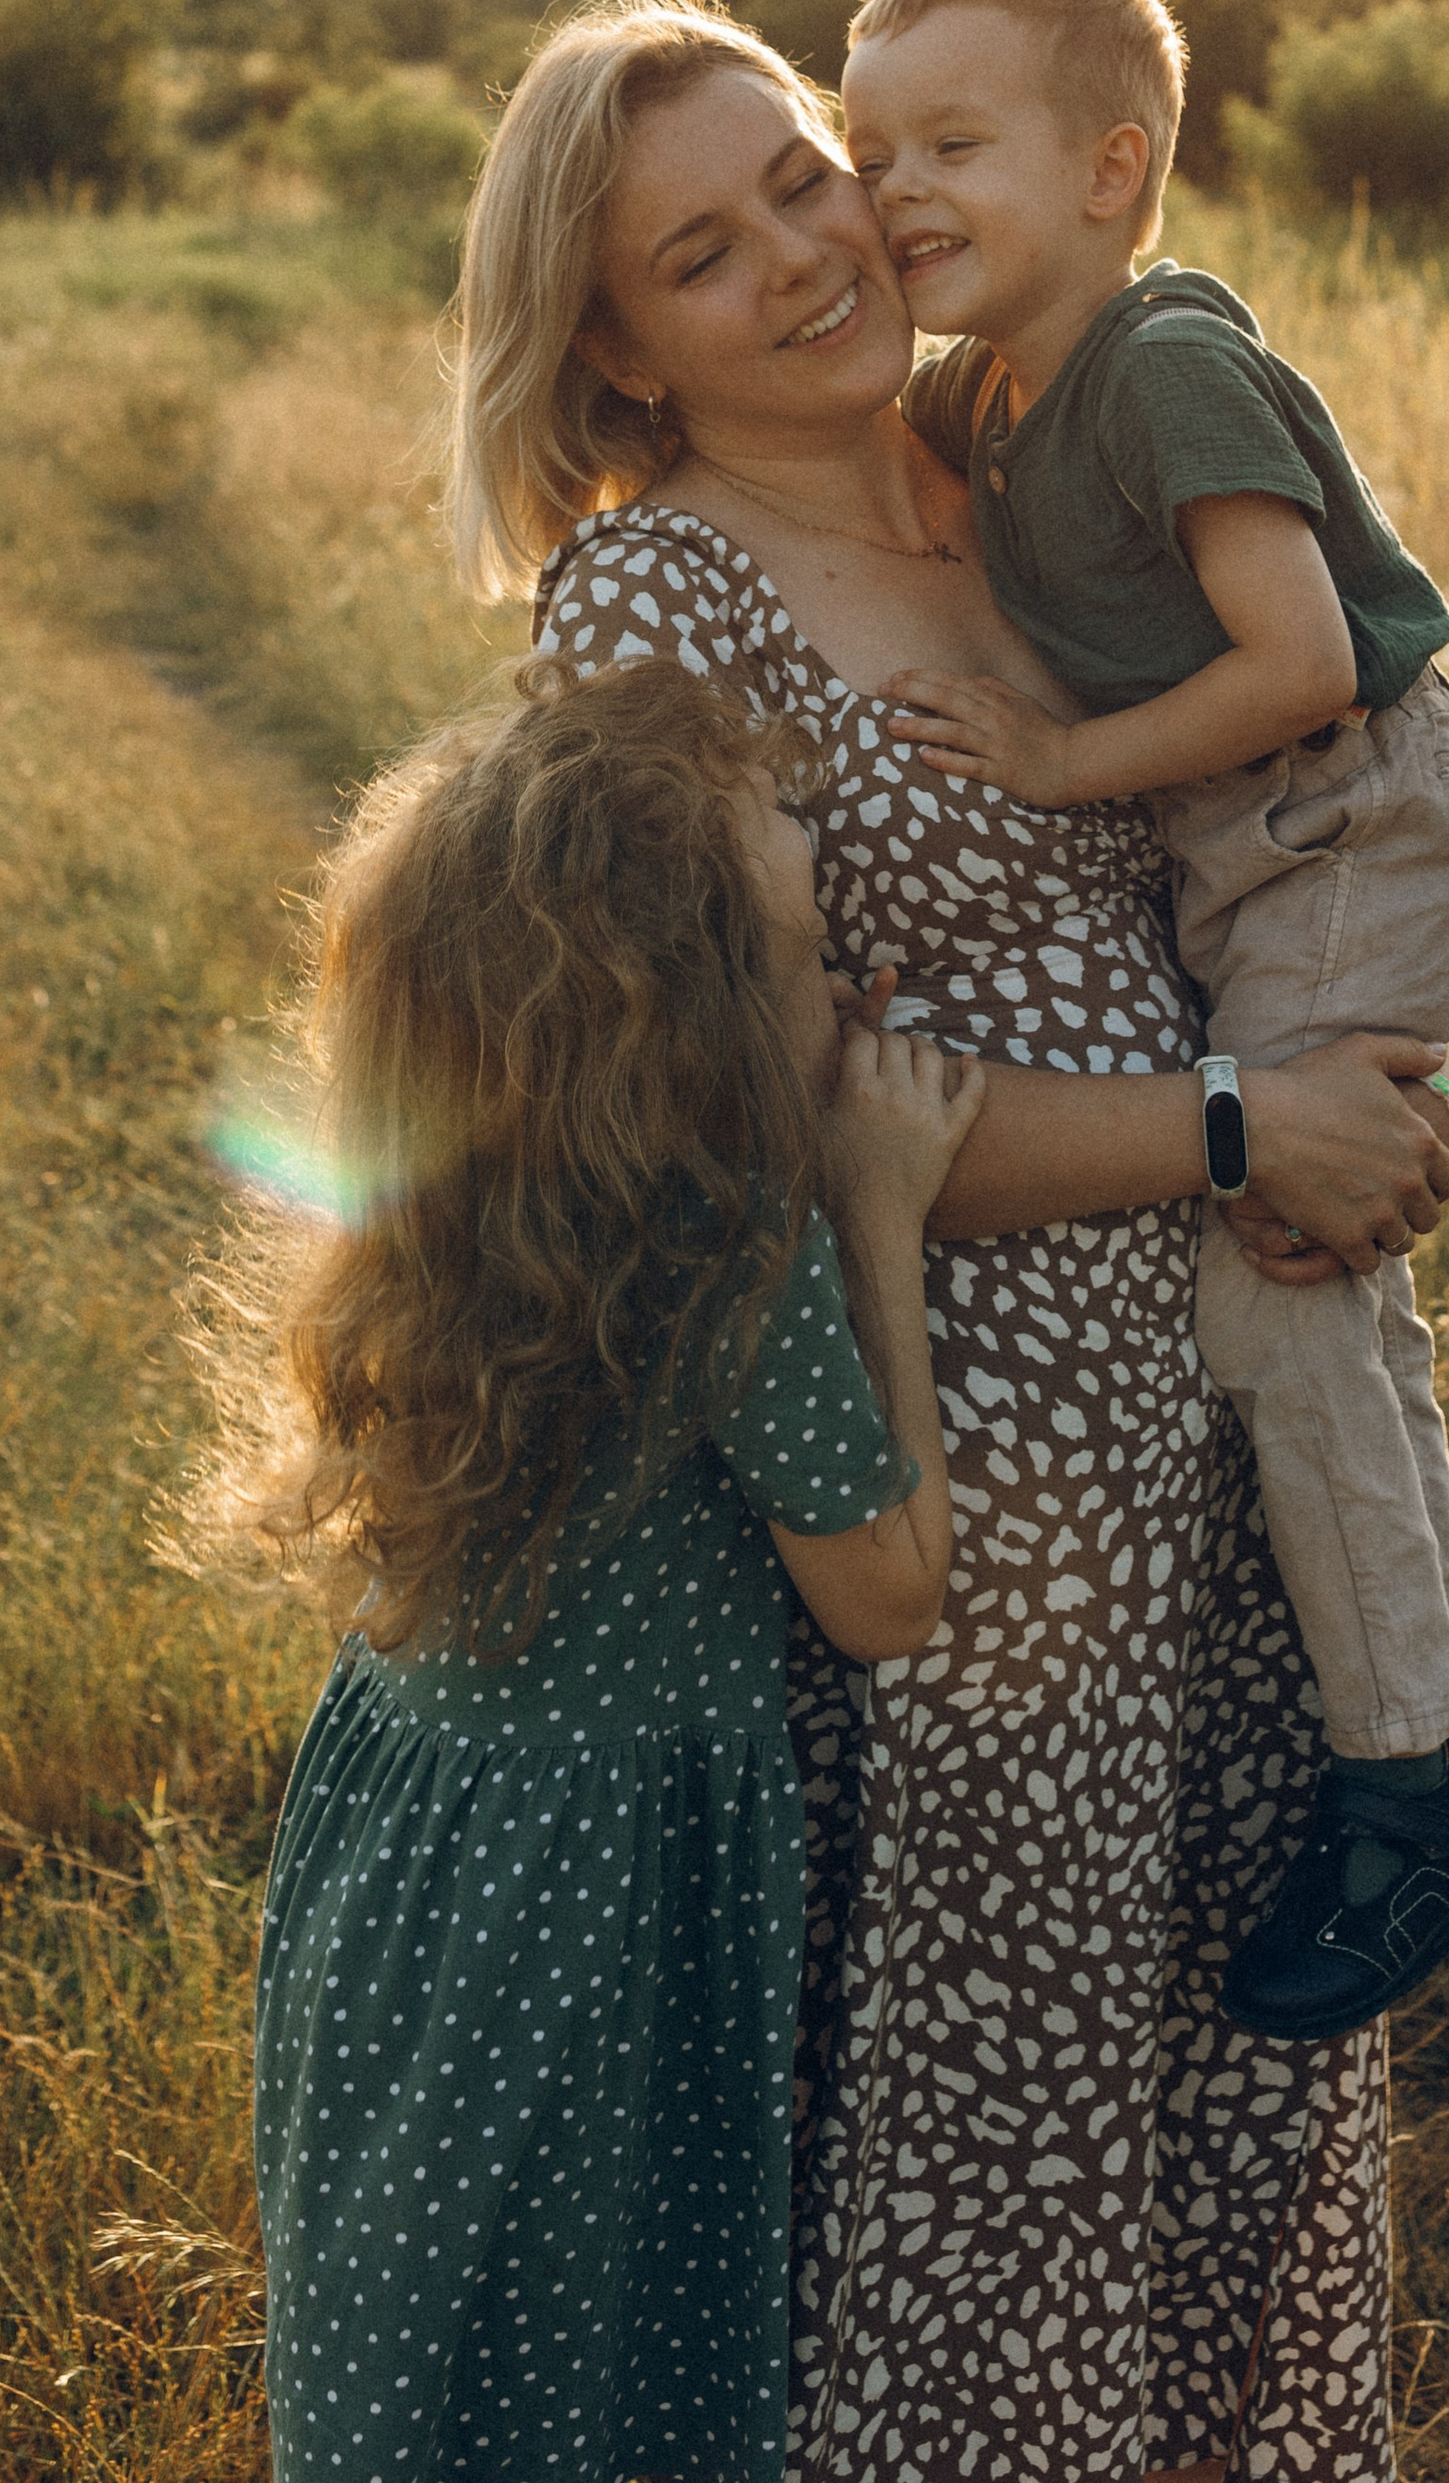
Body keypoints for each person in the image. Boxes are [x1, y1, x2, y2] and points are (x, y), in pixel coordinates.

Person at [447, 0, 1449, 2483]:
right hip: (972, 1536)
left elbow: (1285, 828)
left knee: (1223, 2124)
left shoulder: (1036, 452)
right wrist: (1246, 1125)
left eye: (801, 172)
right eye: (701, 252)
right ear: (610, 346)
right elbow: (804, 1129)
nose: (809, 251)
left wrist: (1359, 1075)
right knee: (988, 2178)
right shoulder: (655, 615)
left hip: (1217, 1463)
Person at [841, 0, 1449, 2041]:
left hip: (1339, 820)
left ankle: (1420, 1777)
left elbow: (1298, 659)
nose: (889, 191)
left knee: (1284, 1266)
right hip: (1245, 868)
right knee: (1267, 1256)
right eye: (864, 146)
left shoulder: (1158, 360)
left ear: (1111, 168)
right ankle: (1384, 1742)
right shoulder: (986, 391)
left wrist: (1054, 762)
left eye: (948, 142)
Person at [212, 656, 978, 2483]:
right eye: (802, 966)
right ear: (698, 1026)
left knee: (413, 2333)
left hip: (404, 1856)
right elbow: (889, 1592)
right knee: (599, 2359)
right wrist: (877, 1205)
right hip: (595, 1892)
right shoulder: (728, 1245)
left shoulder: (452, 1212)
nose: (842, 983)